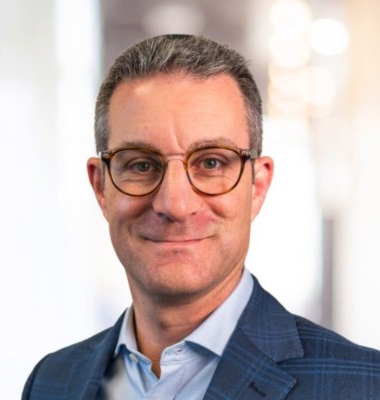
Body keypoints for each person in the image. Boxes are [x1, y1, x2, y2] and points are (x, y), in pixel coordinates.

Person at [22, 34, 380, 400]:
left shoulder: (366, 387)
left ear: (257, 186)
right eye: (141, 165)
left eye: (211, 163)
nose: (175, 205)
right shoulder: (51, 382)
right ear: (101, 187)